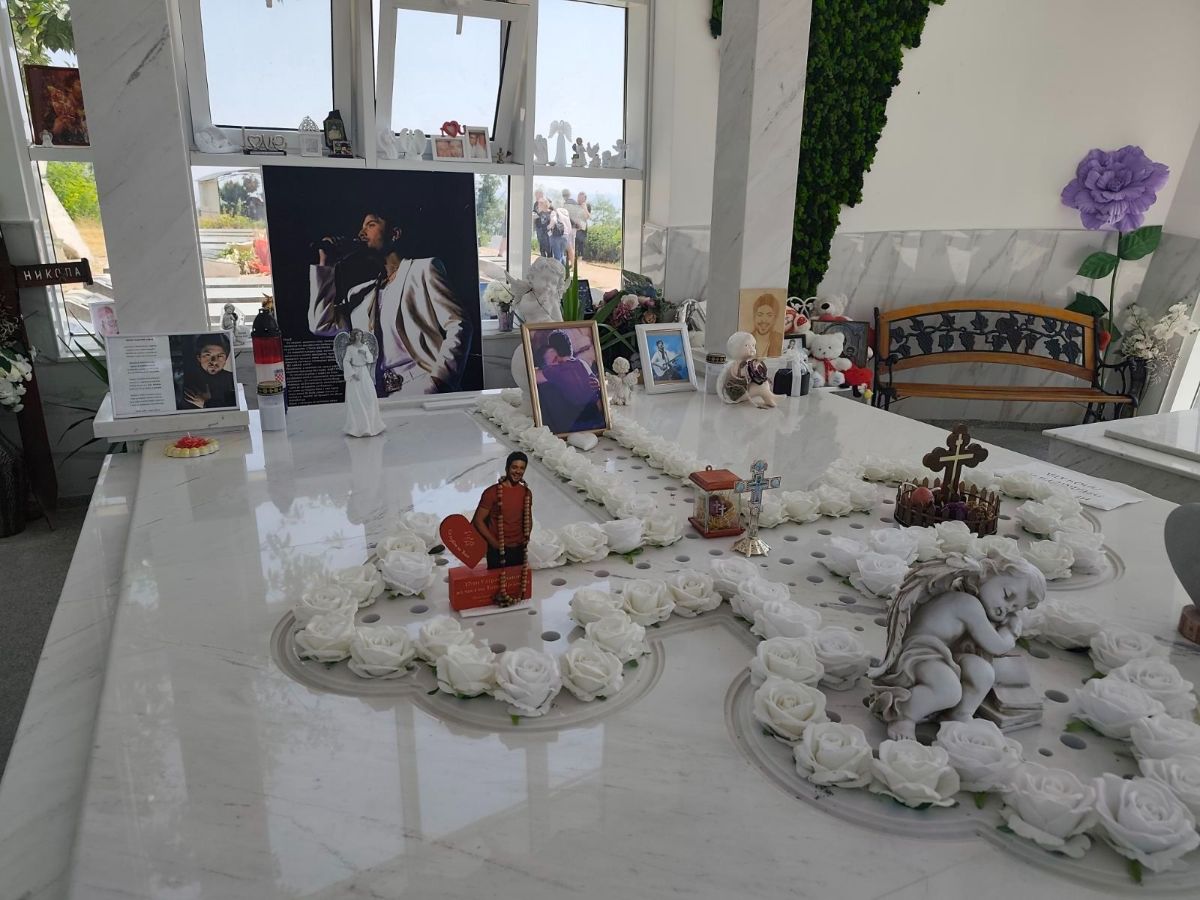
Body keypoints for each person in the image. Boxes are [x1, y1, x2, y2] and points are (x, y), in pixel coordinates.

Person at [308, 207, 472, 396]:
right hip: (378, 396)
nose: (361, 233)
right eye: (361, 227)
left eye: (371, 225)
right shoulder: (359, 293)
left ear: (395, 234)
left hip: (420, 386)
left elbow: (459, 324)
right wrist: (327, 266)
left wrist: (439, 381)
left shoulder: (423, 270)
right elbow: (321, 324)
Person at [534, 329, 605, 433]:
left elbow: (532, 377)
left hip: (580, 420)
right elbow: (594, 381)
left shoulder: (555, 371)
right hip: (596, 413)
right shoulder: (582, 363)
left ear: (556, 351)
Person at [472, 451, 532, 570]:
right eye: (514, 467)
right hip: (497, 550)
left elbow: (528, 518)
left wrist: (527, 536)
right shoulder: (491, 493)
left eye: (522, 468)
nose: (518, 471)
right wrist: (493, 543)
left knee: (516, 580)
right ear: (507, 468)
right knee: (497, 581)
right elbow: (478, 520)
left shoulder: (526, 493)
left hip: (519, 548)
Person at [341, 329, 385, 437]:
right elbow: (346, 361)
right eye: (357, 335)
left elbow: (370, 360)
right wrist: (352, 373)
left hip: (364, 373)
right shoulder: (350, 348)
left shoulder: (365, 347)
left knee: (369, 396)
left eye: (360, 335)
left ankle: (372, 425)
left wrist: (365, 353)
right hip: (355, 373)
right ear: (354, 336)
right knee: (356, 399)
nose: (359, 337)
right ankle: (358, 427)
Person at [180, 333, 236, 410]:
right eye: (207, 355)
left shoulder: (232, 379)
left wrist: (206, 403)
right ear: (199, 358)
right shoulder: (189, 380)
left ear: (225, 359)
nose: (214, 362)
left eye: (220, 356)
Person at [751, 292, 782, 357]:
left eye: (769, 315)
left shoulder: (780, 339)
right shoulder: (745, 339)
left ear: (775, 318)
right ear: (754, 316)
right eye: (760, 314)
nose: (764, 320)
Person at [532, 190, 552, 258]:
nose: (536, 197)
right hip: (539, 227)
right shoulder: (535, 203)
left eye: (537, 195)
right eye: (536, 195)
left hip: (547, 228)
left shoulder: (547, 201)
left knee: (548, 245)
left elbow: (552, 211)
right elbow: (535, 213)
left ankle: (549, 259)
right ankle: (543, 258)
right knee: (541, 244)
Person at [572, 191, 591, 261]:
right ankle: (573, 262)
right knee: (573, 245)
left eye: (581, 198)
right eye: (578, 197)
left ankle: (579, 261)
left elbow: (588, 217)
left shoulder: (587, 205)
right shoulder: (575, 205)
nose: (579, 199)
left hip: (582, 229)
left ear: (585, 199)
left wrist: (585, 208)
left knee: (581, 245)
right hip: (574, 227)